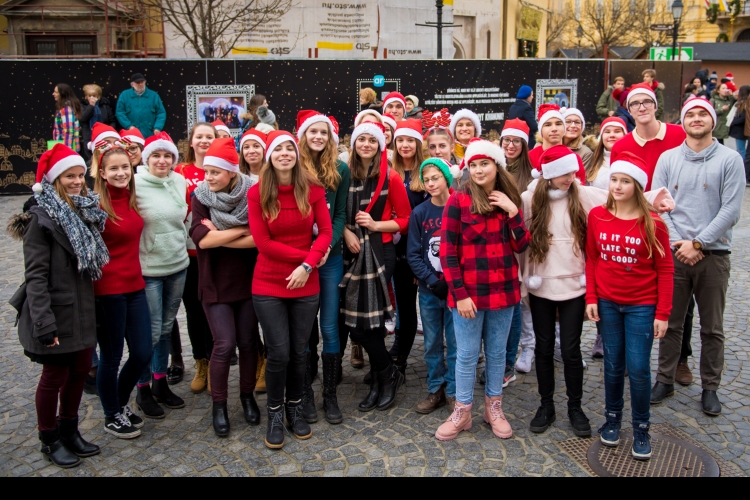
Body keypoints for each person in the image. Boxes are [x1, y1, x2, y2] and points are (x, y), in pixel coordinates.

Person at [519, 146, 672, 437]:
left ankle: (575, 407)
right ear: (550, 174)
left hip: (575, 286)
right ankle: (546, 405)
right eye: (565, 173)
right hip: (541, 283)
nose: (571, 177)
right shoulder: (529, 199)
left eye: (573, 172)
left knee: (571, 350)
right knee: (543, 347)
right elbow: (516, 226)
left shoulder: (582, 193)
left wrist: (654, 199)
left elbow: (617, 199)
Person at [8, 144, 107, 467]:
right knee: (54, 376)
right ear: (53, 180)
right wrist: (43, 323)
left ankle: (70, 429)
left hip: (81, 309)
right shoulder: (41, 219)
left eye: (80, 175)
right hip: (57, 311)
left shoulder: (81, 210)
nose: (78, 181)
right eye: (69, 176)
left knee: (79, 372)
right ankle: (49, 438)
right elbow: (35, 277)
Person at [650, 97, 745, 416]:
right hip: (675, 254)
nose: (696, 118)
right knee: (671, 322)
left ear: (713, 119)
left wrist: (699, 243)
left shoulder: (730, 160)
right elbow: (658, 205)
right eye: (691, 114)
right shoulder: (667, 158)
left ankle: (710, 387)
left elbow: (730, 209)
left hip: (714, 254)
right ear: (683, 121)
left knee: (712, 326)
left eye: (703, 113)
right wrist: (680, 243)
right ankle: (665, 378)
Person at [435, 139, 529, 441]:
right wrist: (460, 294)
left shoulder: (509, 198)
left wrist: (514, 212)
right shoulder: (457, 200)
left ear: (496, 166)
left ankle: (494, 408)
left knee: (498, 353)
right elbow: (447, 253)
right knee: (466, 355)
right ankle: (462, 411)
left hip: (503, 292)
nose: (478, 169)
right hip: (468, 295)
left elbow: (522, 246)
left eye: (484, 163)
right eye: (473, 164)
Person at [586, 152, 674, 461]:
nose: (618, 186)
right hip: (608, 303)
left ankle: (641, 427)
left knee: (637, 368)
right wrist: (592, 297)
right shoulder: (597, 215)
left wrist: (663, 313)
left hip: (642, 305)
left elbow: (665, 270)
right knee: (612, 364)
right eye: (614, 180)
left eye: (625, 181)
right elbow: (593, 258)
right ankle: (612, 419)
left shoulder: (654, 223)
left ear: (637, 186)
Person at [248, 130, 332, 449]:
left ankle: (295, 408)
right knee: (279, 352)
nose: (285, 153)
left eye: (289, 148)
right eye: (278, 149)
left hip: (306, 282)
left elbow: (324, 231)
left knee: (300, 351)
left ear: (296, 154)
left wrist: (307, 266)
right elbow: (264, 243)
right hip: (269, 282)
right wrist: (308, 259)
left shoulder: (312, 189)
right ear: (269, 156)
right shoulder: (257, 193)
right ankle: (274, 412)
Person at [190, 138, 259, 437]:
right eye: (206, 171)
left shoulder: (252, 193)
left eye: (215, 172)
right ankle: (219, 405)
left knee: (248, 344)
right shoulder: (200, 196)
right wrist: (241, 230)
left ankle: (247, 397)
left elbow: (258, 239)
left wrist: (226, 232)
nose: (208, 178)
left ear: (231, 172)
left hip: (246, 282)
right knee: (224, 344)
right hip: (214, 283)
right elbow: (202, 239)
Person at [340, 122, 410, 413]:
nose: (366, 144)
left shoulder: (390, 177)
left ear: (381, 145)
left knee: (369, 324)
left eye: (372, 140)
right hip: (350, 251)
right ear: (354, 144)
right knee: (358, 322)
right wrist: (346, 231)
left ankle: (386, 376)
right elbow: (335, 214)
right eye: (361, 139)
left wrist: (375, 224)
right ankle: (386, 375)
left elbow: (406, 220)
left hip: (380, 252)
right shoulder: (344, 176)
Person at [90, 142, 151, 439]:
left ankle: (119, 402)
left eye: (124, 167)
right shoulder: (95, 206)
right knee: (112, 356)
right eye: (113, 168)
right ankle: (111, 413)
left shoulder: (131, 198)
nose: (120, 173)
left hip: (135, 285)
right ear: (101, 173)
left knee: (142, 352)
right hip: (108, 290)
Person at [295, 110, 350, 424]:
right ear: (303, 135)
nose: (318, 137)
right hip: (301, 259)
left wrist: (329, 245)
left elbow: (340, 214)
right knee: (304, 330)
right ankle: (305, 393)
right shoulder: (292, 167)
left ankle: (330, 394)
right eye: (312, 132)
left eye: (324, 132)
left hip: (329, 258)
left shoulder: (340, 168)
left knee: (330, 326)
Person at [133, 132, 189, 419]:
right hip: (149, 269)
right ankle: (142, 388)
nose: (162, 160)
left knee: (167, 327)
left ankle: (160, 382)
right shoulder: (135, 184)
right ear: (146, 158)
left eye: (168, 155)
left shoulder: (179, 181)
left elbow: (185, 219)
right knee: (151, 331)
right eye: (156, 155)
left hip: (177, 264)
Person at [407, 158, 460, 414]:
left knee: (455, 342)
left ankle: (453, 391)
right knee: (432, 342)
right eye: (426, 179)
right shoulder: (420, 213)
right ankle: (435, 388)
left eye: (436, 178)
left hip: (456, 290)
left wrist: (453, 283)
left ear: (447, 179)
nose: (431, 183)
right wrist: (430, 280)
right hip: (430, 290)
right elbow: (414, 254)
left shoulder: (460, 207)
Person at [173, 123, 217, 394]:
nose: (203, 141)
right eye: (199, 137)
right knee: (193, 310)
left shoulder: (222, 169)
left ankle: (215, 364)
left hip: (213, 251)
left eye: (208, 137)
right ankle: (200, 362)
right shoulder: (180, 172)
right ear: (191, 142)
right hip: (187, 252)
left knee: (213, 308)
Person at [387, 119, 429, 372]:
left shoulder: (425, 173)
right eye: (400, 140)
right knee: (392, 303)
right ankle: (393, 349)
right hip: (387, 247)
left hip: (412, 251)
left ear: (418, 144)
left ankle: (400, 358)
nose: (404, 145)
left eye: (410, 140)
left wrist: (420, 259)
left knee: (405, 302)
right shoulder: (388, 170)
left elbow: (428, 221)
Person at [499, 119, 536, 377]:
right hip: (498, 245)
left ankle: (523, 351)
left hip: (521, 242)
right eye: (506, 141)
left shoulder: (530, 174)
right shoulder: (495, 168)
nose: (510, 146)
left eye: (516, 141)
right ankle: (501, 357)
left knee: (521, 304)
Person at [611, 83, 686, 190]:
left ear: (655, 106)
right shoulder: (620, 147)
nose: (642, 108)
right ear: (629, 111)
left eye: (647, 102)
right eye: (635, 104)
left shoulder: (681, 134)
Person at [529, 104, 586, 184]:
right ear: (541, 130)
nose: (554, 129)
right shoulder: (530, 157)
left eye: (558, 124)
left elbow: (580, 190)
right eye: (548, 125)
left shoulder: (574, 158)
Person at [115, 73, 167, 139]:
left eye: (142, 82)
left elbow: (161, 113)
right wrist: (129, 126)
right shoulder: (124, 95)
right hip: (131, 133)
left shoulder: (154, 95)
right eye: (137, 82)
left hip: (150, 133)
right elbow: (120, 112)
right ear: (132, 84)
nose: (140, 84)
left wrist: (157, 127)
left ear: (145, 82)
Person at [587, 117, 627, 190]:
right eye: (607, 132)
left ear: (624, 134)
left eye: (617, 131)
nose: (612, 135)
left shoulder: (632, 161)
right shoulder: (592, 159)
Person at [80, 84, 117, 162]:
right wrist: (91, 106)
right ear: (86, 96)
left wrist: (109, 131)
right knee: (90, 161)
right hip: (89, 137)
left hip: (103, 137)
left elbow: (112, 120)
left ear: (99, 96)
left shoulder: (105, 106)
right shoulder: (82, 106)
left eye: (94, 95)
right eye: (89, 96)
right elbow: (83, 118)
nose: (92, 98)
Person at [52, 83, 82, 153]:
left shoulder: (66, 109)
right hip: (65, 147)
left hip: (66, 147)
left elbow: (69, 131)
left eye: (56, 92)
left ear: (62, 94)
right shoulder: (66, 107)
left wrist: (66, 151)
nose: (53, 94)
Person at [509, 85, 538, 149]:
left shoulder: (513, 107)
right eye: (532, 95)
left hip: (515, 139)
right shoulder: (526, 108)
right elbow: (534, 126)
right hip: (527, 142)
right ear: (527, 96)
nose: (532, 97)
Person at [729, 85, 749, 164]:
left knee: (740, 150)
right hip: (743, 129)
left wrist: (733, 122)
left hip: (740, 130)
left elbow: (743, 117)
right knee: (742, 150)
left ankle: (741, 166)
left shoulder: (743, 103)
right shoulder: (743, 102)